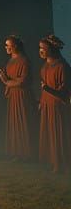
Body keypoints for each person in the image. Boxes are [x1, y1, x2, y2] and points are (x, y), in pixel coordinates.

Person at [38, 34, 70, 173]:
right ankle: (53, 161)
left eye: (43, 48)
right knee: (50, 134)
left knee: (60, 134)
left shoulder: (62, 66)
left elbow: (63, 91)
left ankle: (63, 164)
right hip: (47, 105)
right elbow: (44, 87)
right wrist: (41, 100)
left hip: (58, 107)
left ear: (52, 49)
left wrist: (47, 89)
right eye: (40, 48)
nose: (41, 51)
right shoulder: (45, 66)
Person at [0, 35, 32, 160]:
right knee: (14, 123)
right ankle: (17, 152)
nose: (6, 47)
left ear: (15, 46)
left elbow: (22, 81)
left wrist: (6, 82)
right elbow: (12, 79)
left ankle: (26, 152)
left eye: (8, 45)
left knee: (23, 121)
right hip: (13, 95)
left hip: (21, 96)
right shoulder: (10, 61)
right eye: (6, 45)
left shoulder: (24, 61)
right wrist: (8, 83)